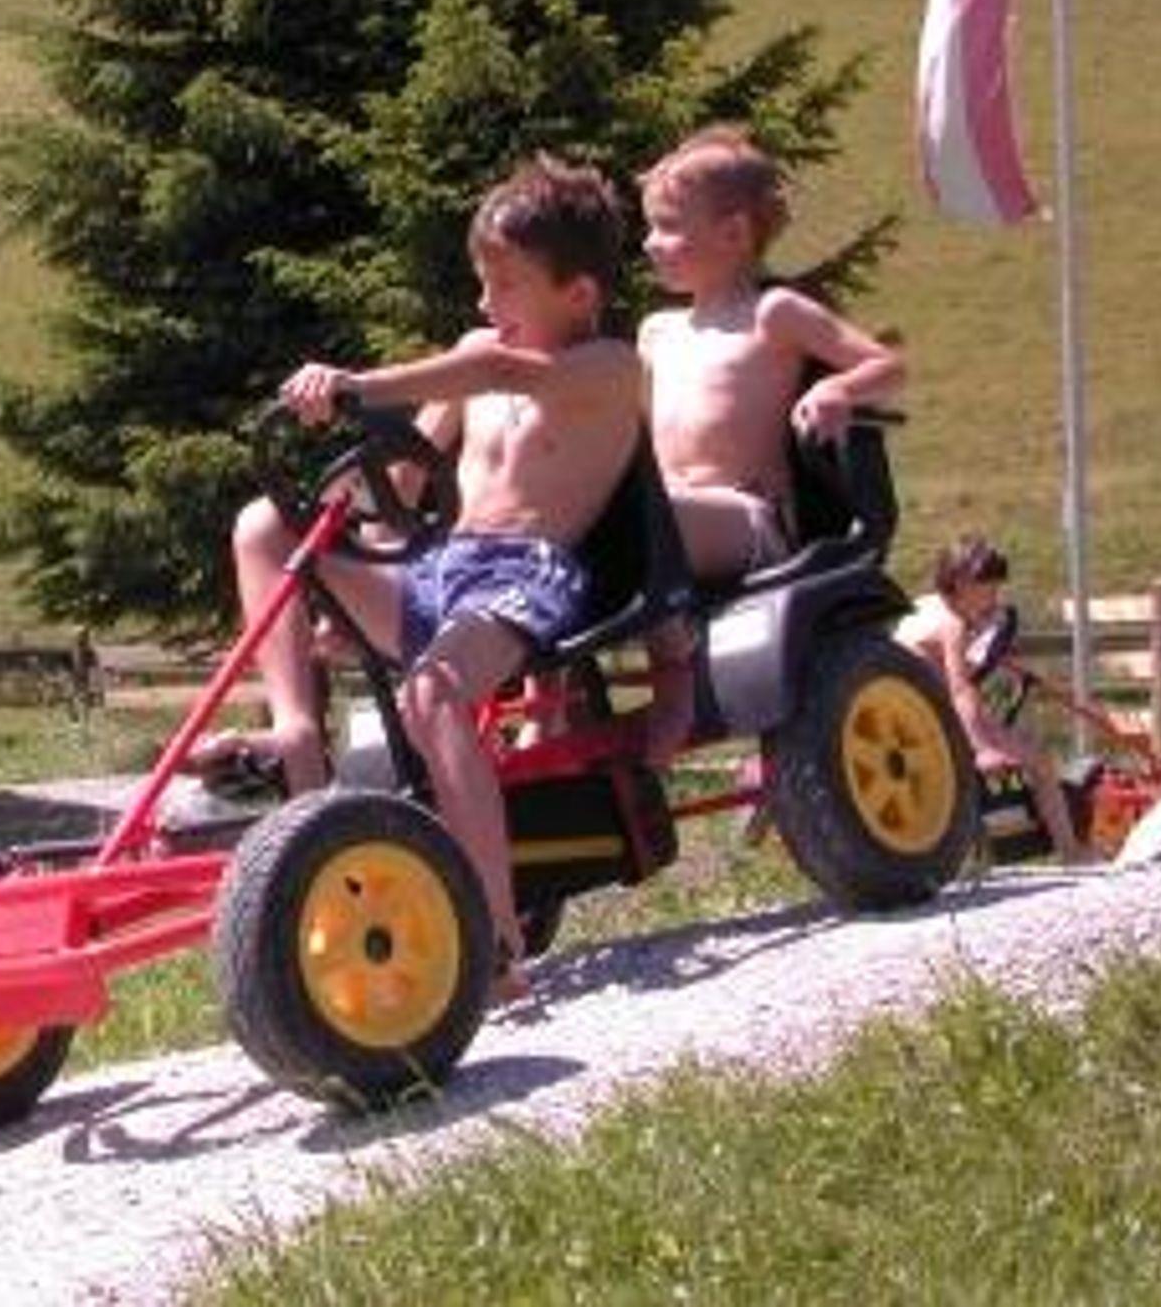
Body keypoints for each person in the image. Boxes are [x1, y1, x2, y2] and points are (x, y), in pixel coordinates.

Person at [207, 154, 641, 997]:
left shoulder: (607, 366)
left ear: (579, 294)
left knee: (432, 693)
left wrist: (356, 385)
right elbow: (401, 477)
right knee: (264, 525)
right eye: (481, 282)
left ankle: (496, 936)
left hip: (530, 576)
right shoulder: (480, 355)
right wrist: (354, 552)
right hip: (442, 569)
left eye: (505, 285)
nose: (484, 305)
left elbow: (501, 373)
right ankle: (298, 739)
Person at [635, 125, 906, 765]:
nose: (649, 243)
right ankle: (553, 706)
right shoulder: (656, 331)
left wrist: (838, 389)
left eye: (668, 227)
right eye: (649, 227)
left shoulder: (773, 313)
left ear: (733, 234)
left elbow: (887, 366)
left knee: (643, 519)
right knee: (579, 526)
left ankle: (673, 686)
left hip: (749, 519)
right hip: (676, 510)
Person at [895, 534, 1097, 864]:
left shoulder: (924, 606)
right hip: (936, 714)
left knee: (1029, 755)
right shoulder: (953, 626)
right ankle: (1070, 850)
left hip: (908, 708)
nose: (994, 597)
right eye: (988, 589)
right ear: (961, 583)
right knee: (1040, 762)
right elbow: (960, 689)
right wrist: (982, 748)